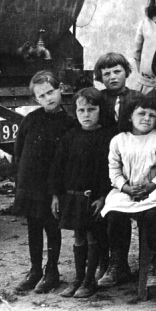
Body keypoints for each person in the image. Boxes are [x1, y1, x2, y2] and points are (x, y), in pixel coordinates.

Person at [13, 71, 77, 293]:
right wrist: (19, 184)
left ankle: (52, 272)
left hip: (51, 190)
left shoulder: (69, 123)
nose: (48, 98)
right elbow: (19, 151)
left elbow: (66, 162)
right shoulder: (31, 119)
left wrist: (58, 192)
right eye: (41, 96)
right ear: (35, 99)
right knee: (33, 228)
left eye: (51, 92)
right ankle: (35, 270)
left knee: (52, 228)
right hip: (30, 186)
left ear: (60, 90)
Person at [99, 95, 156, 289]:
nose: (146, 118)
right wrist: (126, 187)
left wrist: (152, 186)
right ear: (129, 116)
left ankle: (154, 263)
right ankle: (118, 263)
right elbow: (114, 170)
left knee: (152, 216)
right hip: (125, 190)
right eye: (141, 113)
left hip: (152, 191)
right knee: (114, 215)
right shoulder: (119, 140)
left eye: (152, 115)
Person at [49, 88, 111, 298]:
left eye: (91, 109)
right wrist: (56, 195)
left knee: (93, 236)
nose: (86, 114)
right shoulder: (69, 137)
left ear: (100, 110)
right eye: (81, 110)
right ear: (75, 111)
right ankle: (77, 278)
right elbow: (57, 168)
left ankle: (89, 280)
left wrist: (103, 197)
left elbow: (108, 171)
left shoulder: (106, 137)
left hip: (93, 198)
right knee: (78, 237)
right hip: (72, 196)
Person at [94, 52, 141, 130]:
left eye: (117, 72)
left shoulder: (138, 97)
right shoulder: (98, 97)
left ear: (126, 72)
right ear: (101, 77)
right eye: (106, 74)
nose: (112, 77)